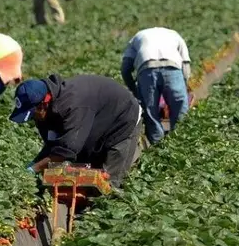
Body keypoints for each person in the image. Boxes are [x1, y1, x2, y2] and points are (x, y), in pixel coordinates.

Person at [11, 74, 143, 188]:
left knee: (109, 182)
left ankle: (102, 210)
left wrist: (34, 169)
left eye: (33, 114)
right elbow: (53, 147)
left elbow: (66, 151)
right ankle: (83, 209)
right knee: (87, 171)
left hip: (123, 120)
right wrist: (36, 162)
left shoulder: (73, 105)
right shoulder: (45, 113)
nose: (33, 119)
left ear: (43, 104)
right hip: (97, 124)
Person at [120, 27, 191, 144]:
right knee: (180, 105)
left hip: (146, 69)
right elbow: (186, 65)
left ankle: (157, 143)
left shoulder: (138, 36)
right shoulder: (175, 34)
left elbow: (125, 69)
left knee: (149, 110)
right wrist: (184, 86)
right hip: (172, 68)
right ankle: (181, 140)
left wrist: (135, 91)